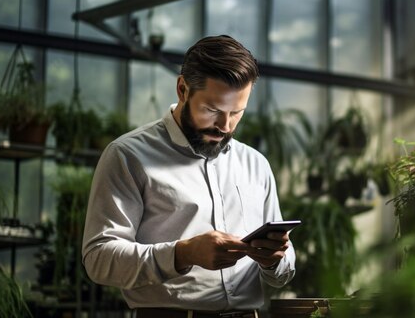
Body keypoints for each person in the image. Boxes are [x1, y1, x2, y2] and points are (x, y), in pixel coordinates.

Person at [82, 35, 295, 318]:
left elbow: (284, 270)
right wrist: (183, 254)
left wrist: (274, 260)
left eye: (236, 113)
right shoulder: (128, 156)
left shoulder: (256, 164)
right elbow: (99, 259)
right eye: (212, 110)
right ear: (183, 89)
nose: (224, 126)